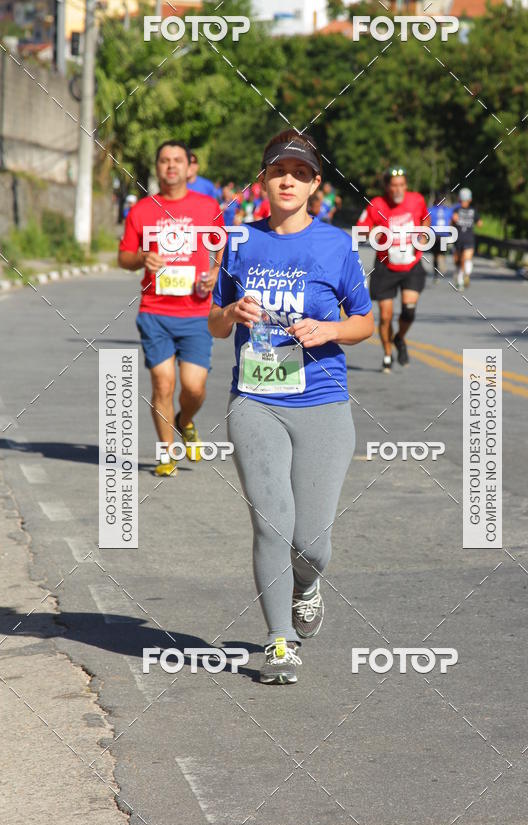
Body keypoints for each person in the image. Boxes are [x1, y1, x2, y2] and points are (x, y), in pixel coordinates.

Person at [208, 130, 374, 684]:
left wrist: (328, 328)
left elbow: (365, 322)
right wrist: (233, 312)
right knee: (270, 524)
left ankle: (307, 581)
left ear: (314, 186)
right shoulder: (240, 243)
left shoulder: (337, 244)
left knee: (311, 543)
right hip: (256, 402)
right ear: (264, 179)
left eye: (299, 173)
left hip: (324, 404)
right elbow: (212, 321)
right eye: (279, 170)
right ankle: (279, 642)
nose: (287, 180)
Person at [118, 140, 225, 476]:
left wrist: (215, 272)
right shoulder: (141, 211)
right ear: (157, 167)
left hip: (196, 311)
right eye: (164, 160)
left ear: (189, 167)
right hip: (155, 311)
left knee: (193, 387)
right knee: (163, 384)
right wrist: (141, 258)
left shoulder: (208, 207)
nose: (171, 166)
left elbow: (223, 248)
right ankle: (166, 453)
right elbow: (123, 257)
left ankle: (185, 420)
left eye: (177, 160)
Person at [357, 166, 430, 372]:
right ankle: (388, 354)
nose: (398, 190)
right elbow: (361, 229)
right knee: (386, 315)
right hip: (385, 267)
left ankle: (399, 338)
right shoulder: (377, 204)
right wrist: (373, 235)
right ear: (387, 187)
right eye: (393, 186)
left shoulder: (416, 200)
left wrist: (423, 234)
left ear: (406, 185)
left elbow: (426, 218)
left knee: (409, 310)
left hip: (411, 265)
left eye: (401, 185)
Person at [451, 187, 482, 289]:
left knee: (466, 259)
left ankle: (464, 277)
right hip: (458, 239)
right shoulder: (457, 210)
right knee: (458, 261)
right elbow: (451, 224)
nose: (464, 202)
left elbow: (480, 223)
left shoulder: (472, 211)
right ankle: (462, 275)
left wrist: (478, 222)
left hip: (468, 239)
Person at [428, 195, 453, 280]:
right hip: (444, 235)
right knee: (442, 252)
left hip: (434, 235)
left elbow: (427, 221)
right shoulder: (448, 211)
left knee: (435, 254)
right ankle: (441, 262)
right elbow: (450, 221)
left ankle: (436, 273)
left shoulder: (430, 210)